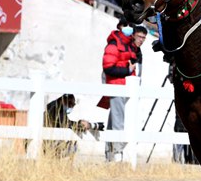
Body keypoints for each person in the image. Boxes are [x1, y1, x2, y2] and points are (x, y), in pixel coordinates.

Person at [101, 23, 147, 161]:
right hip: (118, 86)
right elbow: (108, 68)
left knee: (114, 121)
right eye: (139, 37)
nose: (141, 40)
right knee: (118, 122)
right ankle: (117, 154)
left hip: (125, 87)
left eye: (144, 38)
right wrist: (127, 71)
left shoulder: (131, 48)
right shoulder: (115, 45)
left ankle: (111, 155)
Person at [42, 94, 94, 158]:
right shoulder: (56, 109)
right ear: (62, 100)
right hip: (49, 144)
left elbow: (66, 122)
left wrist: (79, 124)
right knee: (73, 146)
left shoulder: (56, 107)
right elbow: (66, 124)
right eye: (69, 103)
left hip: (49, 142)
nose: (71, 106)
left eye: (73, 105)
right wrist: (81, 125)